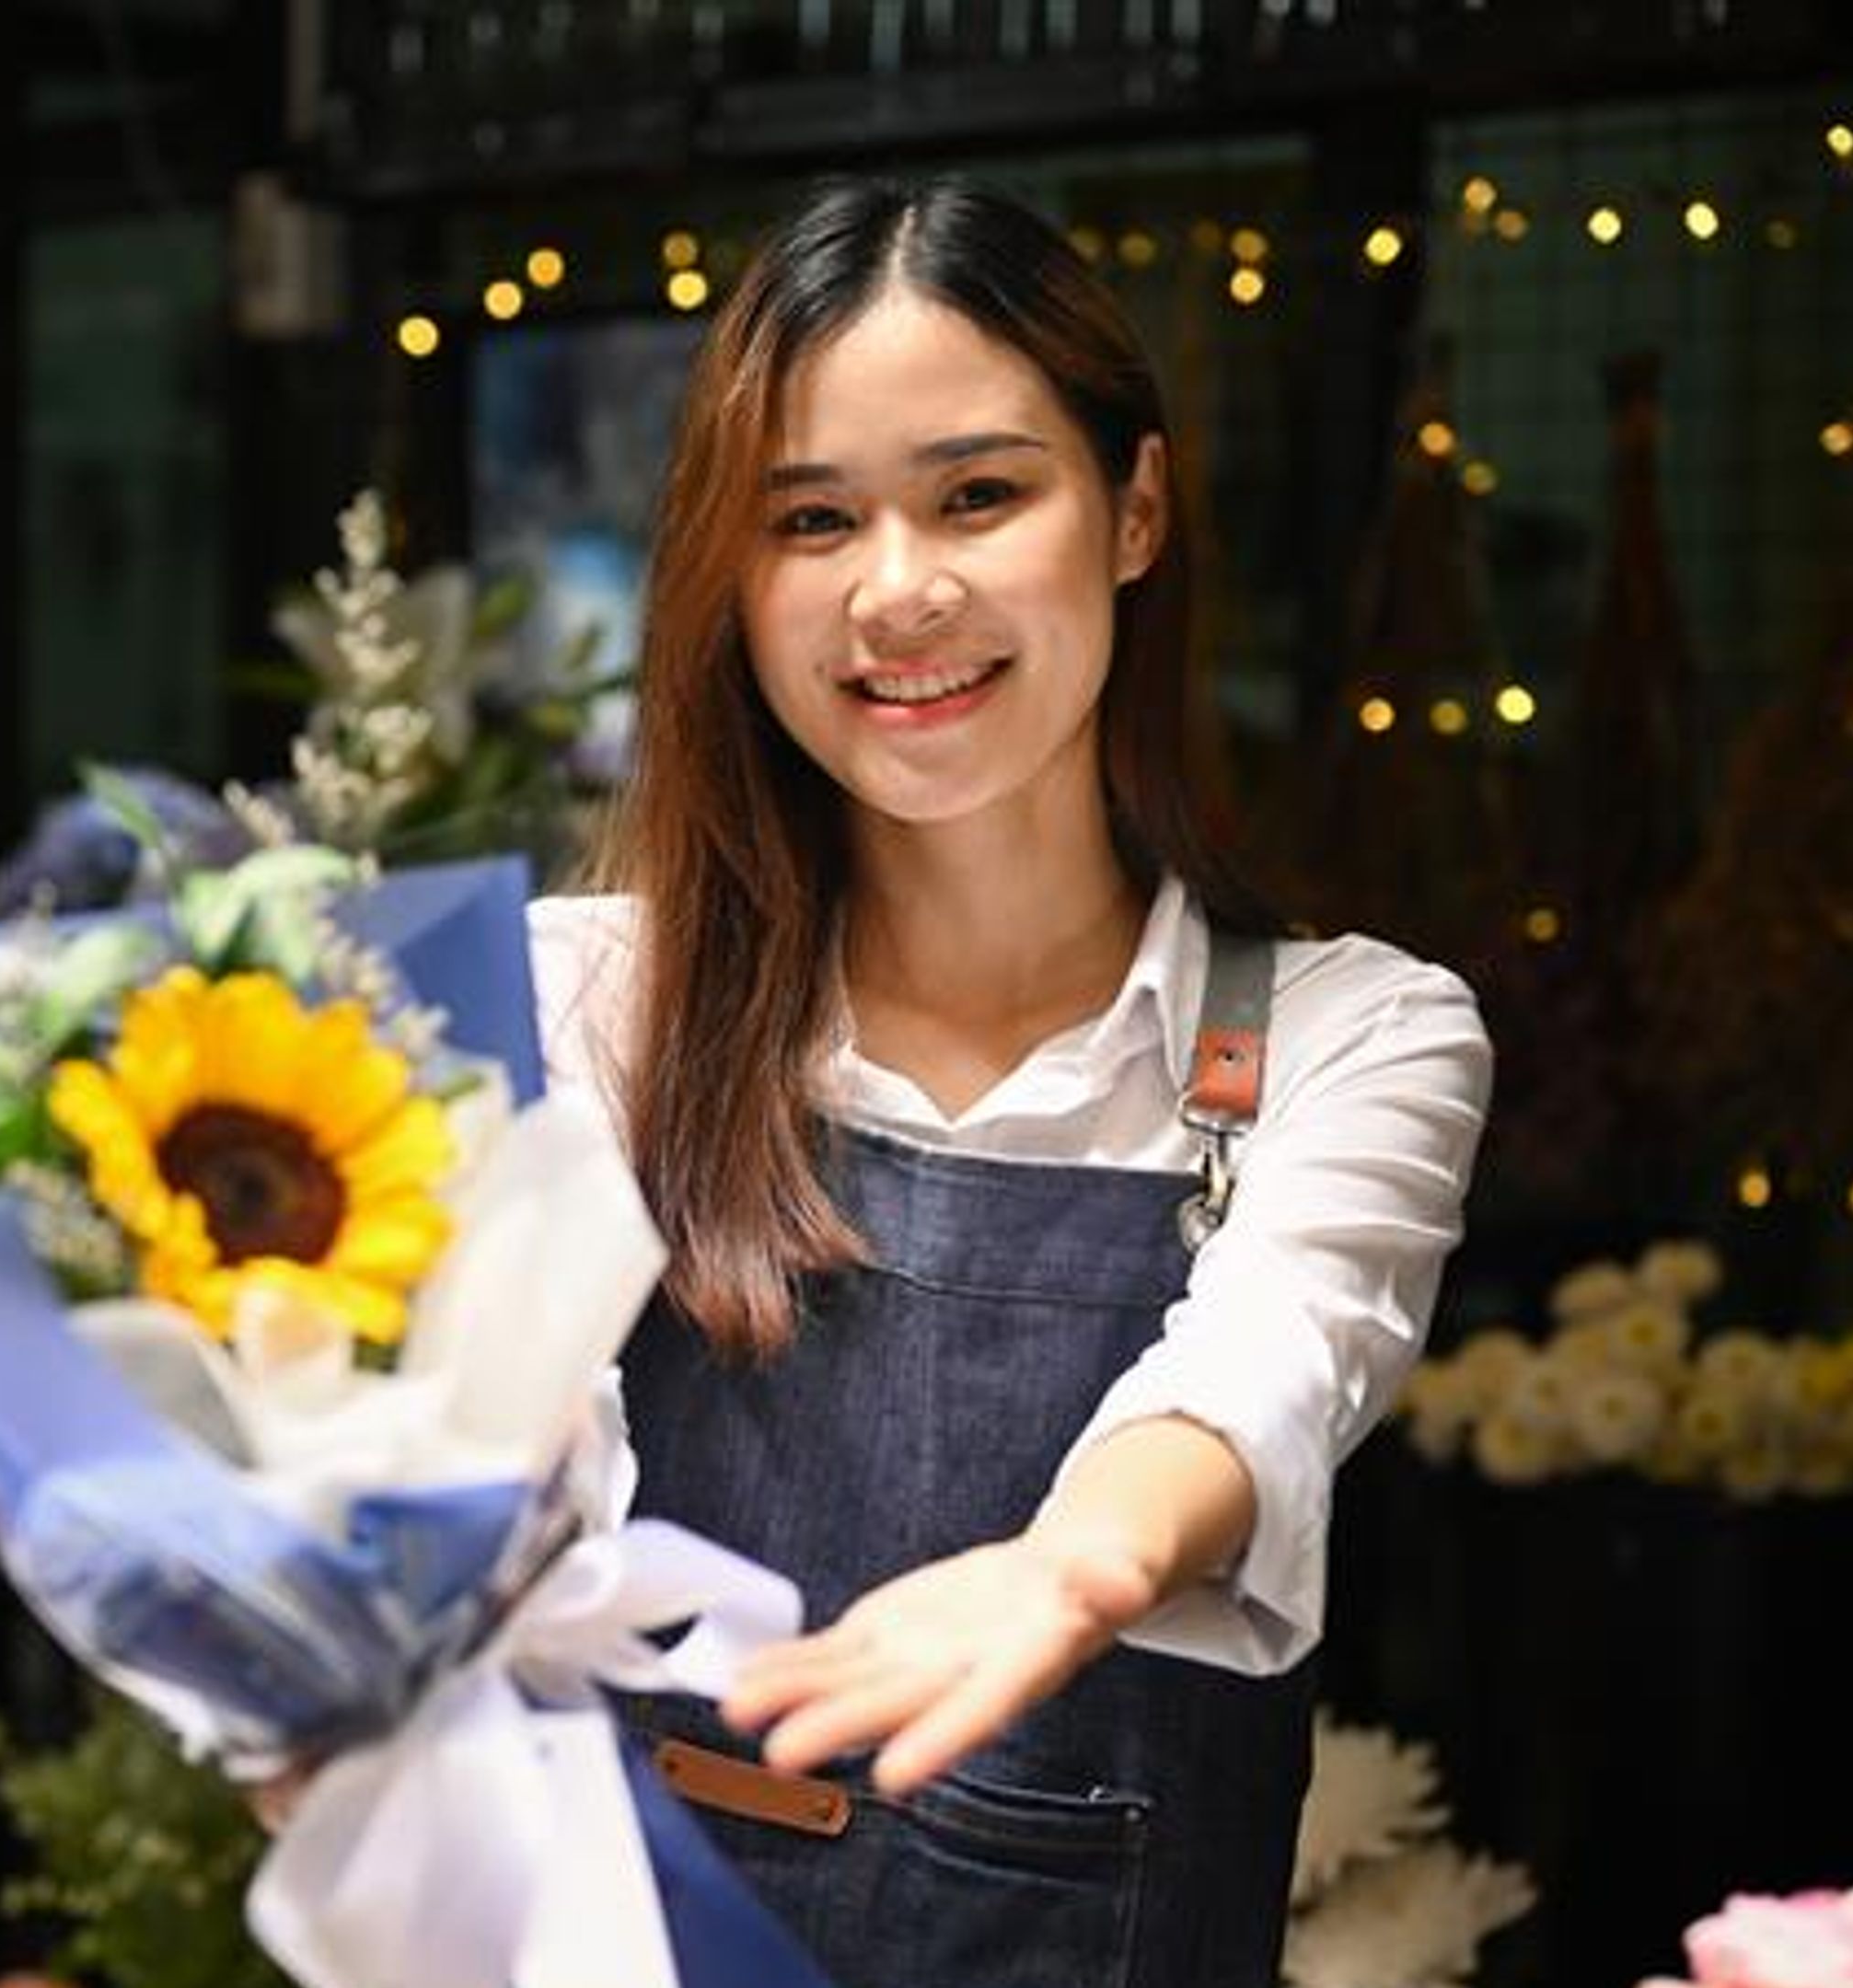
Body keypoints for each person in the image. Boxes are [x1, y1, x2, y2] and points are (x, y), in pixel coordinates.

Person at [529, 177, 1494, 1988]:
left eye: (980, 493)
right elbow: (491, 1456)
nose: (898, 593)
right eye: (811, 519)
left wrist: (1075, 1568)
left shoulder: (1354, 1040)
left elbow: (1274, 1353)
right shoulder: (597, 1000)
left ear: (1132, 511)